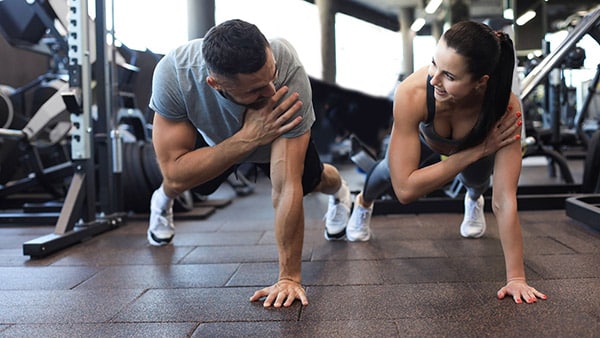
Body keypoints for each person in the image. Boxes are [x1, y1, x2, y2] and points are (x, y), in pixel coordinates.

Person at [147, 19, 352, 308]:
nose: (270, 91)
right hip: (218, 139)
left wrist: (289, 279)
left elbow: (285, 186)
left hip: (275, 137)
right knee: (185, 183)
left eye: (272, 76)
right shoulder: (175, 74)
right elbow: (175, 171)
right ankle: (162, 200)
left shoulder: (286, 64)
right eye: (256, 89)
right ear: (215, 84)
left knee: (310, 181)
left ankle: (342, 193)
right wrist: (248, 137)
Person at [346, 21, 547, 304]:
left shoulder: (505, 107)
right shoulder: (412, 93)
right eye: (433, 64)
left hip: (471, 145)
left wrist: (516, 278)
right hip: (428, 140)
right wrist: (476, 151)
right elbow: (405, 192)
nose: (433, 79)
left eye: (449, 75)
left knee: (477, 181)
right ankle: (362, 204)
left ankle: (472, 199)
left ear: (481, 82)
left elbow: (504, 198)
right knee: (387, 172)